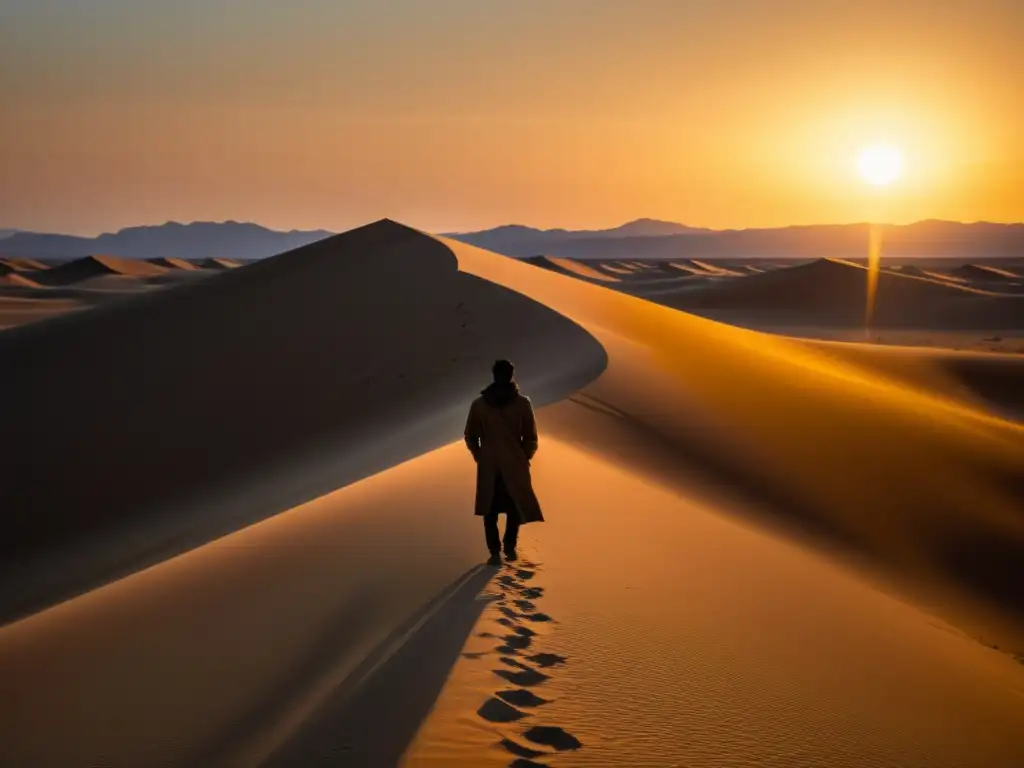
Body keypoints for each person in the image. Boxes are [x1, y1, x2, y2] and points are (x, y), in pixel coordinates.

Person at [464, 359, 544, 566]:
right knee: (512, 506)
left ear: (494, 375)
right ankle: (508, 546)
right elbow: (531, 437)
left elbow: (470, 436)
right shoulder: (522, 403)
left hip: (490, 464)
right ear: (511, 375)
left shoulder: (480, 404)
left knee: (491, 509)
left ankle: (496, 552)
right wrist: (523, 456)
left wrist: (480, 455)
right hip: (512, 462)